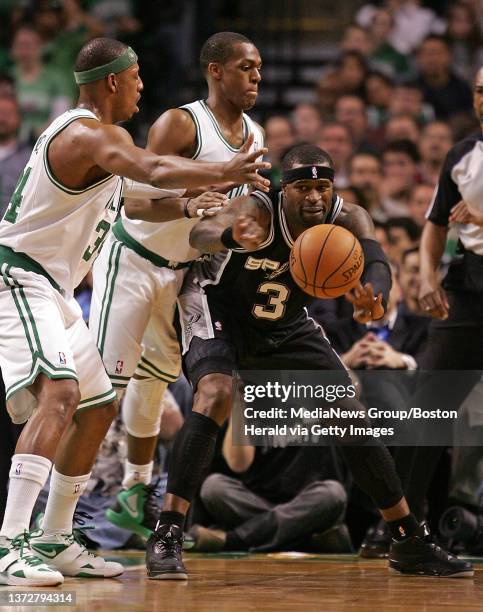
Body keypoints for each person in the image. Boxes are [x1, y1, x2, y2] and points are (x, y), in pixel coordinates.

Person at [0, 36, 268, 587]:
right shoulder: (88, 132)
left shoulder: (99, 144)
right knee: (62, 393)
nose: (144, 87)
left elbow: (138, 198)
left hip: (56, 286)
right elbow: (153, 168)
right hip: (19, 274)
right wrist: (223, 176)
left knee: (97, 406)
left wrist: (188, 204)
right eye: (138, 77)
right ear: (113, 81)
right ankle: (10, 544)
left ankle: (54, 541)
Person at [146, 143, 473, 580]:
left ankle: (406, 537)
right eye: (303, 187)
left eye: (322, 186)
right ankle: (167, 533)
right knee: (216, 392)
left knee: (349, 413)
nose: (315, 196)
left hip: (283, 321)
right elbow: (198, 235)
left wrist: (372, 292)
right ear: (285, 190)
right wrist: (231, 235)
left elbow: (377, 262)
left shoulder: (347, 217)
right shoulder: (258, 210)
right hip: (217, 306)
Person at [89, 31, 265, 541]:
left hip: (183, 270)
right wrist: (189, 204)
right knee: (105, 388)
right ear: (215, 70)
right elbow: (135, 203)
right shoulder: (180, 123)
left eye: (258, 68)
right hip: (134, 258)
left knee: (153, 381)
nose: (256, 76)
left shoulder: (255, 135)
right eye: (245, 67)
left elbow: (239, 210)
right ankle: (61, 515)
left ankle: (134, 492)